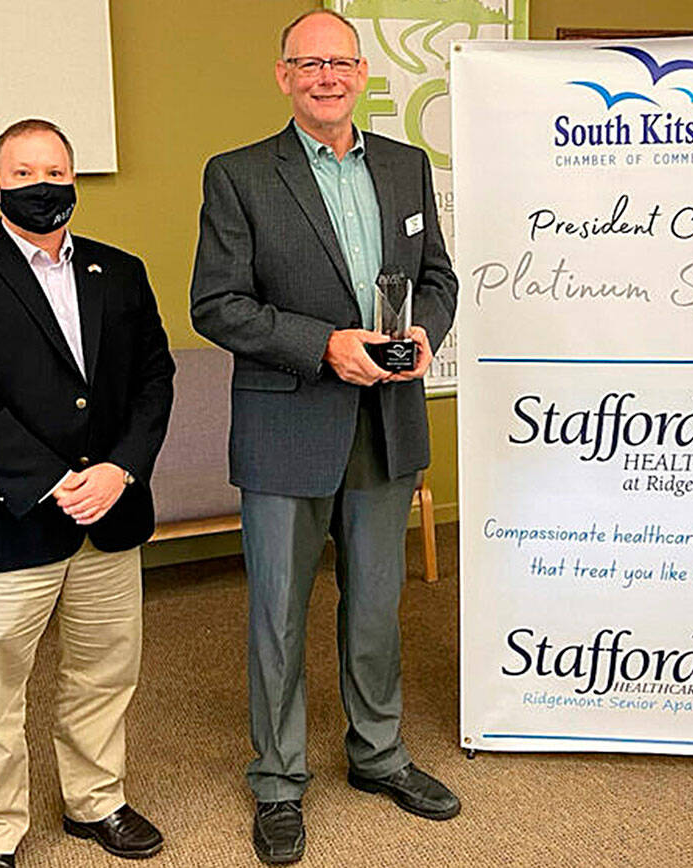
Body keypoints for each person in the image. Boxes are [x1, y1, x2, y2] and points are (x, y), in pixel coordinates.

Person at [189, 9, 459, 866]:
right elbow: (217, 304)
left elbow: (439, 280)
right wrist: (324, 346)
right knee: (278, 615)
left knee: (377, 608)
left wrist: (426, 336)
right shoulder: (237, 175)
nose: (327, 77)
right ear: (283, 77)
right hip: (286, 425)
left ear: (362, 73)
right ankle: (277, 778)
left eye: (341, 62)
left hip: (387, 422)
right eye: (308, 64)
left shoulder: (405, 166)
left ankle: (377, 755)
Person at [0, 119, 174, 868]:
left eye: (55, 171)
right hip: (6, 520)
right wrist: (58, 483)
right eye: (23, 173)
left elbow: (154, 379)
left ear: (74, 180)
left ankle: (98, 803)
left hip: (110, 513)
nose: (42, 186)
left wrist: (121, 470)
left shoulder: (118, 271)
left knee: (104, 672)